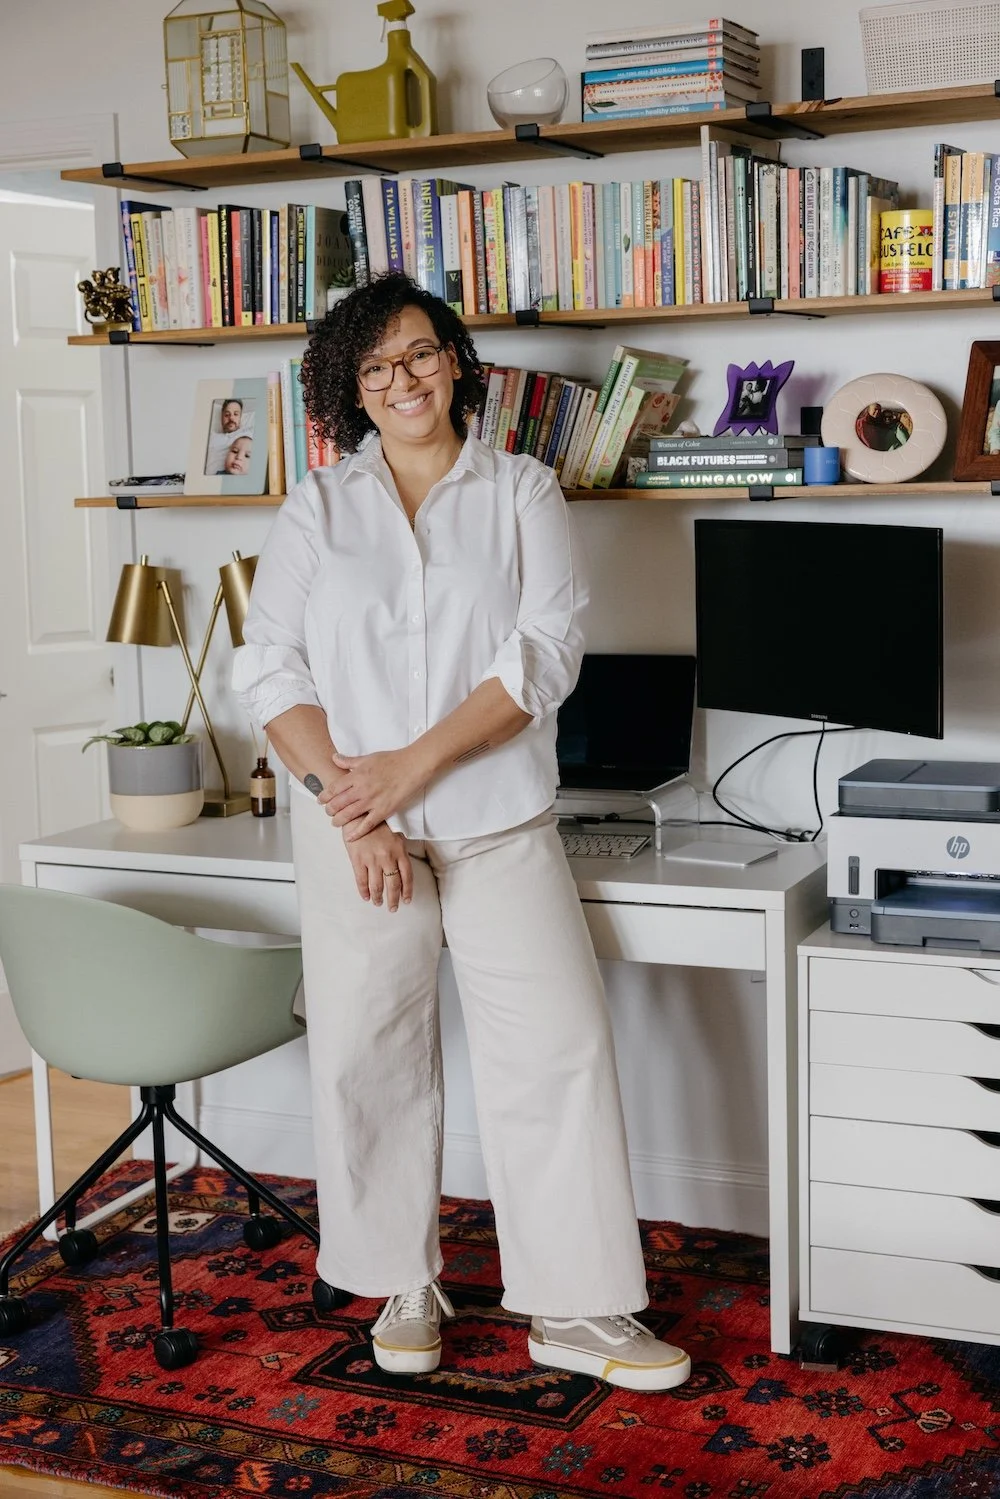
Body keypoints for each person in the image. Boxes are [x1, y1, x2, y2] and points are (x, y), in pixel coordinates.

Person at [232, 272, 691, 1394]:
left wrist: (409, 768)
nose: (403, 380)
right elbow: (269, 665)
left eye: (420, 354)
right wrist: (357, 803)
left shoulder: (524, 488)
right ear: (349, 385)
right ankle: (402, 1278)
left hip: (497, 823)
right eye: (377, 365)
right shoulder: (316, 508)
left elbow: (541, 657)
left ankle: (577, 1307)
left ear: (454, 360)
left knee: (559, 1052)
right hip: (356, 834)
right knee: (367, 1056)